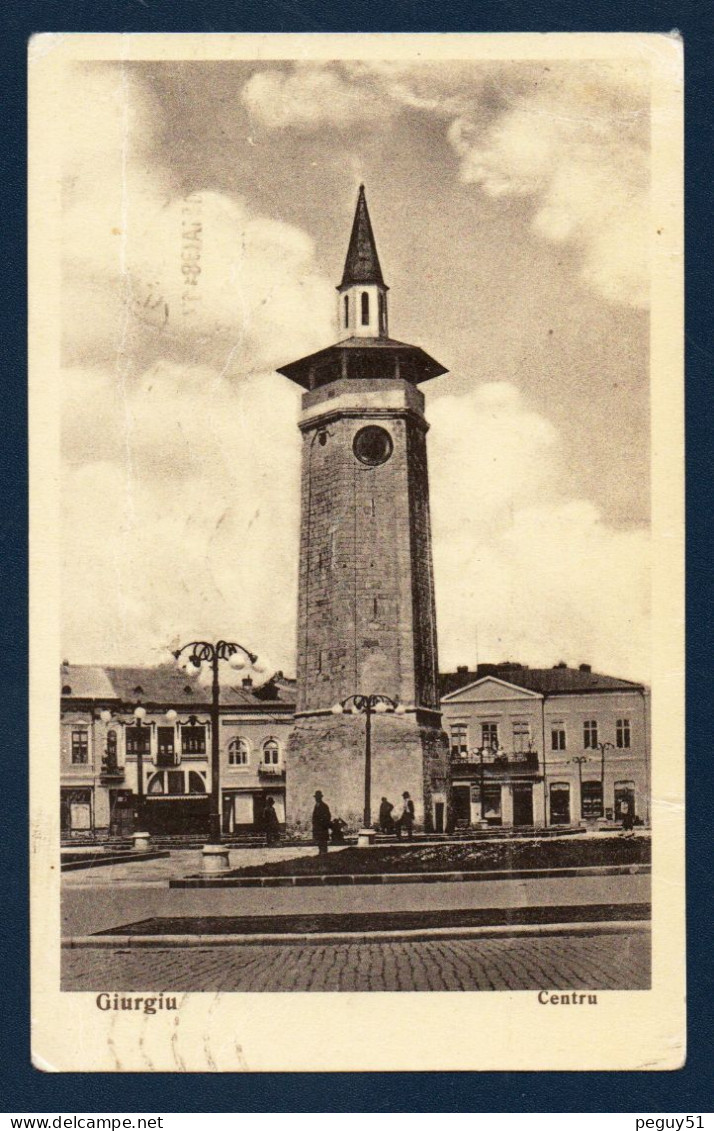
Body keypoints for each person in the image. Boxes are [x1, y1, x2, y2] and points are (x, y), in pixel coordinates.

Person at [312, 790, 332, 856]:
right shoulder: (316, 806)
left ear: (320, 798)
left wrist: (323, 824)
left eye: (318, 797)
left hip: (322, 828)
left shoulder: (324, 806)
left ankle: (324, 854)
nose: (316, 799)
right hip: (317, 828)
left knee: (323, 842)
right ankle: (321, 853)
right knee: (319, 842)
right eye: (316, 797)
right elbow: (314, 816)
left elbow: (328, 816)